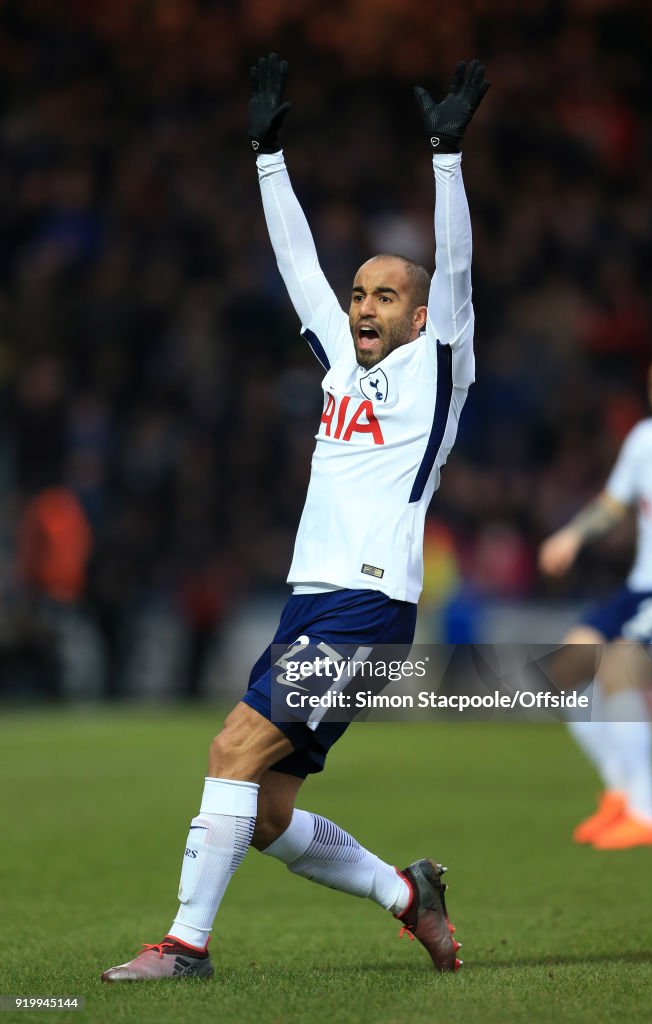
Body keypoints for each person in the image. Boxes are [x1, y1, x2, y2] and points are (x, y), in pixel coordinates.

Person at [101, 53, 489, 981]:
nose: (361, 305)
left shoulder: (439, 364)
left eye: (383, 295)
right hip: (309, 604)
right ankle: (409, 893)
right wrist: (266, 153)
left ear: (421, 312)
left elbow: (459, 265)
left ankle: (185, 948)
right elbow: (293, 262)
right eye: (357, 293)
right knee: (267, 812)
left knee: (231, 745)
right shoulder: (336, 366)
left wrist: (445, 158)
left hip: (367, 605)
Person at [538, 343, 652, 849]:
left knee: (618, 668)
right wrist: (572, 536)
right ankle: (620, 795)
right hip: (641, 587)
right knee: (561, 674)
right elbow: (613, 503)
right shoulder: (645, 440)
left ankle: (646, 814)